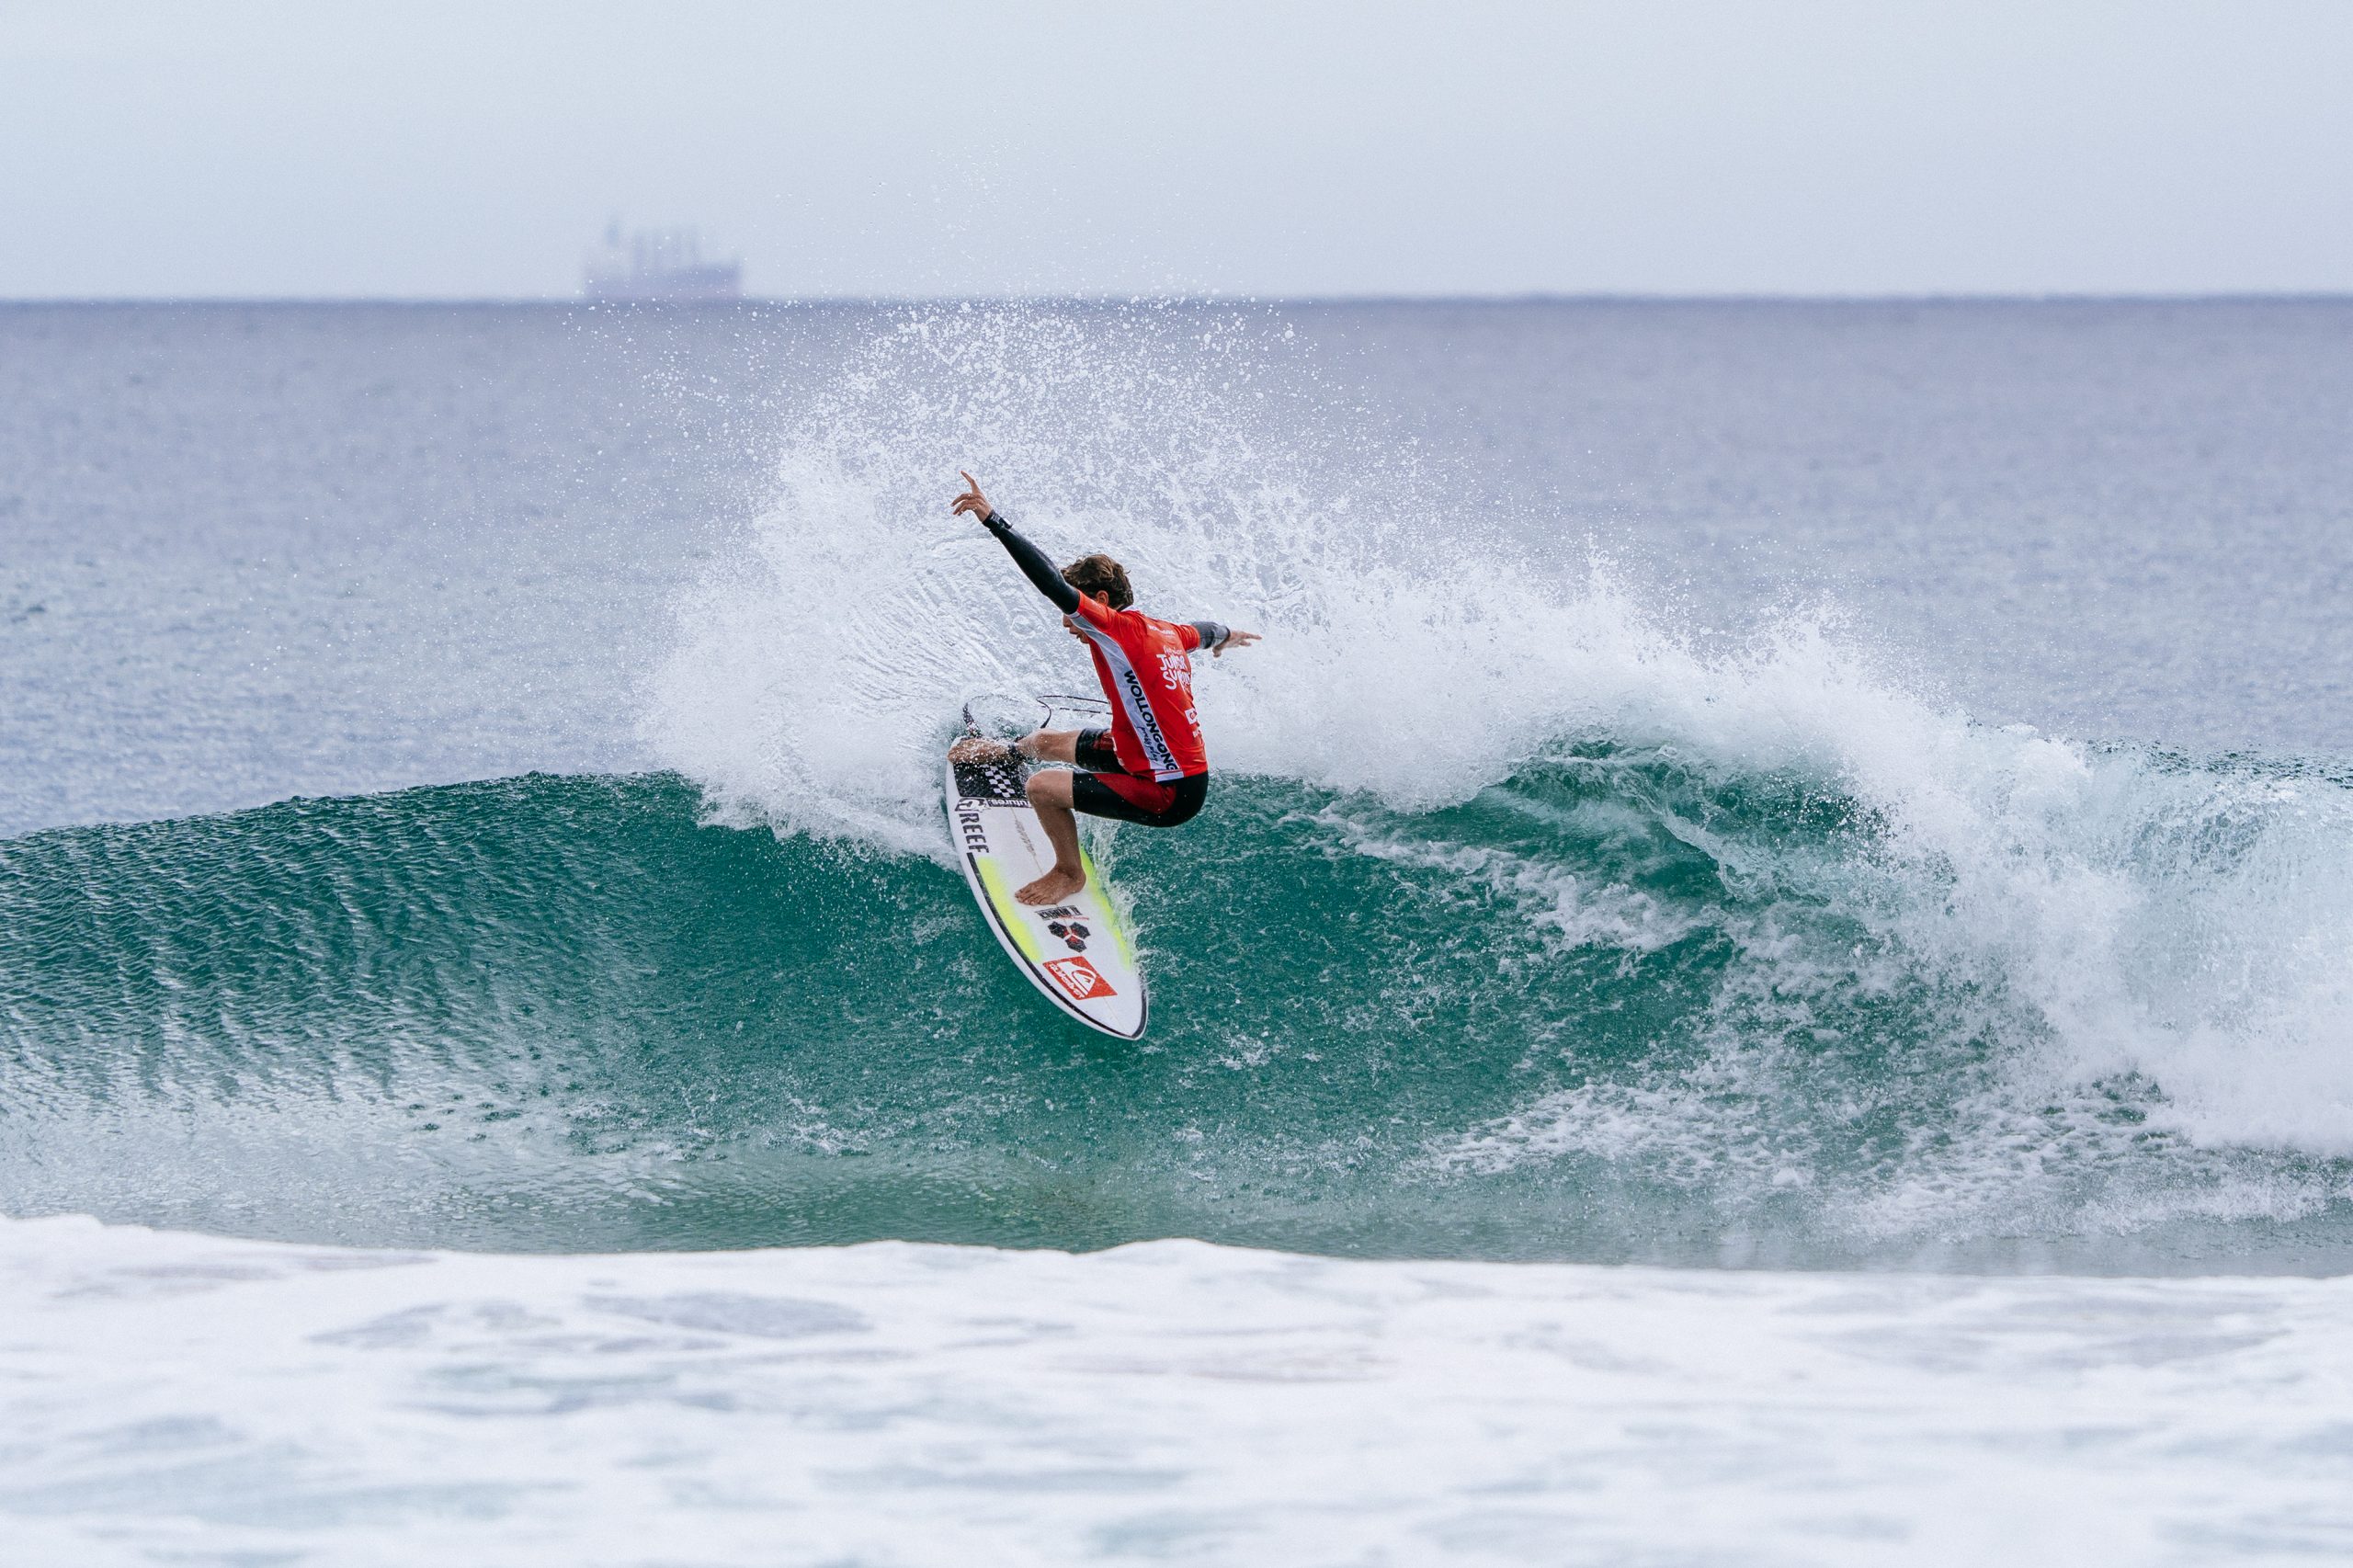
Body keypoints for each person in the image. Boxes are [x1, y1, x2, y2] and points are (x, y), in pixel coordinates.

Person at [949, 472, 1259, 905]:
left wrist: (993, 520)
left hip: (1168, 789)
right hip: (1139, 751)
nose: (1067, 621)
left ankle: (1068, 873)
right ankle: (1004, 752)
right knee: (1044, 741)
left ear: (1100, 600)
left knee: (1042, 787)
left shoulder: (1116, 629)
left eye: (1075, 609)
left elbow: (1050, 584)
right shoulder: (1165, 631)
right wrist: (1226, 635)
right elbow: (1202, 631)